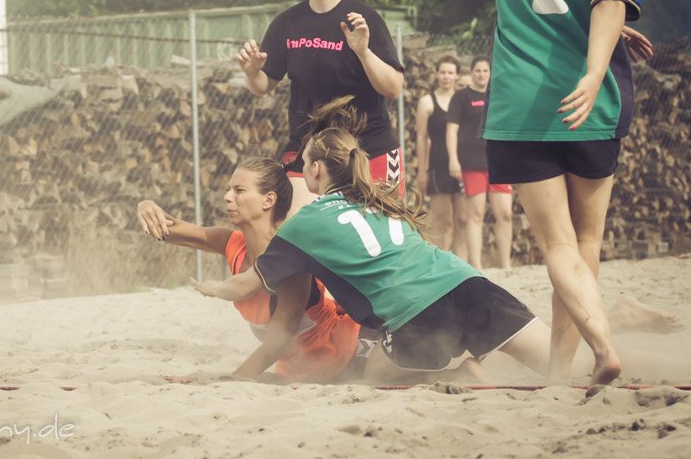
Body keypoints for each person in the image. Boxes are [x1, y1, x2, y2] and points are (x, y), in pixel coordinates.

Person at [191, 126, 678, 385]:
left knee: (377, 373)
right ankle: (627, 345)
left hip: (418, 316)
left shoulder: (304, 224)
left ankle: (462, 370)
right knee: (560, 360)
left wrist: (208, 288)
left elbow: (247, 284)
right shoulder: (375, 197)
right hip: (467, 283)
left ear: (316, 170)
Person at [482, 0, 651, 384]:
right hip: (593, 102)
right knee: (587, 243)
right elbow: (605, 4)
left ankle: (595, 351)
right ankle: (565, 364)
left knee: (557, 245)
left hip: (522, 102)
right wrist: (595, 67)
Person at [137, 156, 367, 384]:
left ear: (268, 200)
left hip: (344, 355)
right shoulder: (233, 243)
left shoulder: (292, 256)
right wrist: (146, 206)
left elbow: (277, 341)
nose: (227, 197)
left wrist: (220, 380)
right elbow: (168, 229)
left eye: (239, 190)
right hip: (295, 368)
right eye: (228, 189)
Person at [236, 0, 404, 217]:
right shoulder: (287, 24)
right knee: (302, 239)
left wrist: (363, 52)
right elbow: (263, 85)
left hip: (366, 151)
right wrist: (252, 73)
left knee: (378, 248)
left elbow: (393, 88)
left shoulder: (364, 20)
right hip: (309, 153)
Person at [446, 56, 513, 269]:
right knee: (475, 215)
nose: (482, 74)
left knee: (505, 213)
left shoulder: (499, 94)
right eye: (478, 70)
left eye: (485, 70)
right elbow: (451, 130)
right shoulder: (461, 97)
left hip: (500, 163)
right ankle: (477, 266)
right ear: (472, 72)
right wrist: (453, 159)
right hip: (471, 164)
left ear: (490, 73)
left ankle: (506, 265)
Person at [414, 55, 466, 254]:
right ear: (436, 74)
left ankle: (463, 265)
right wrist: (422, 171)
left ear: (457, 75)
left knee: (462, 219)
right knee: (441, 220)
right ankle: (440, 263)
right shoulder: (427, 102)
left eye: (451, 73)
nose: (446, 76)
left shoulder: (463, 100)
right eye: (443, 72)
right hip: (437, 166)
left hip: (463, 166)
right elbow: (420, 137)